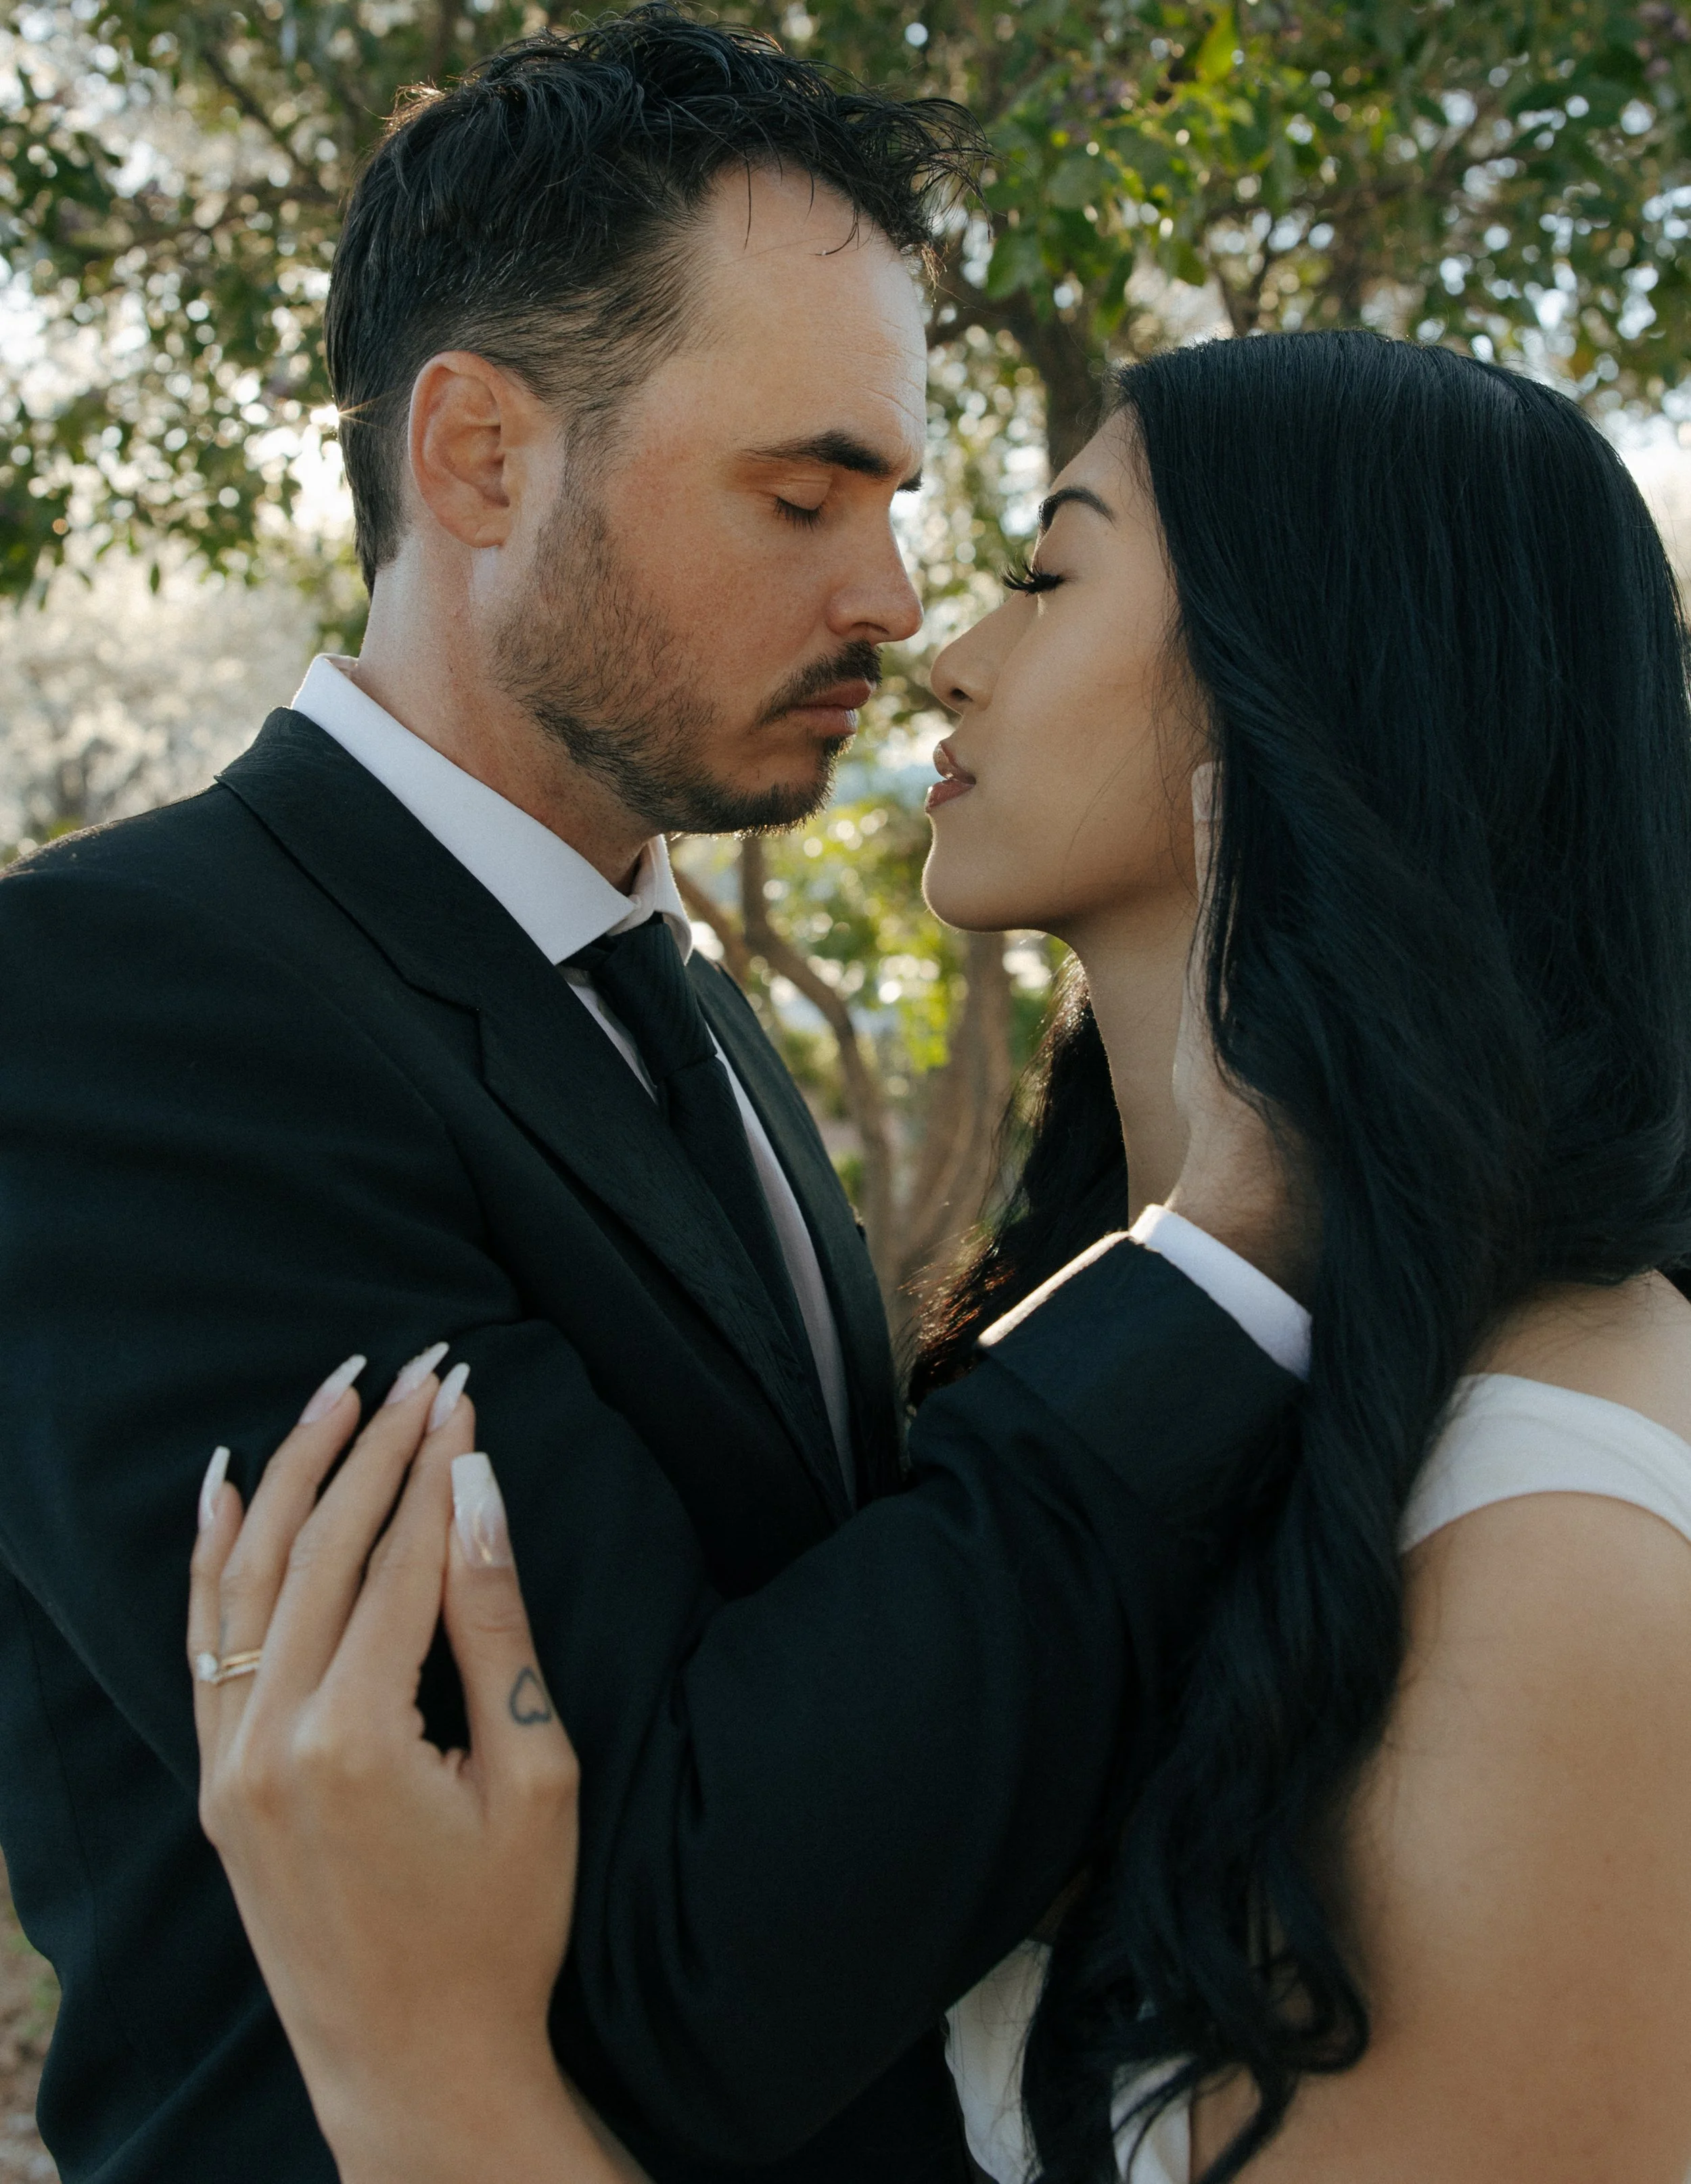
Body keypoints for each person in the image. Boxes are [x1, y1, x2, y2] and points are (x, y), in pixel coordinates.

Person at [0, 16, 1305, 2184]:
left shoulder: (650, 982)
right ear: (481, 454)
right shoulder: (123, 1008)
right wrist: (1225, 1261)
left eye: (892, 502)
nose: (890, 602)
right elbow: (660, 1947)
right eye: (800, 497)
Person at [193, 328, 1691, 2184]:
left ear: (1312, 685)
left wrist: (426, 2074)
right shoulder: (1153, 1346)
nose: (941, 643)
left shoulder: (1556, 1542)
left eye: (1046, 574)